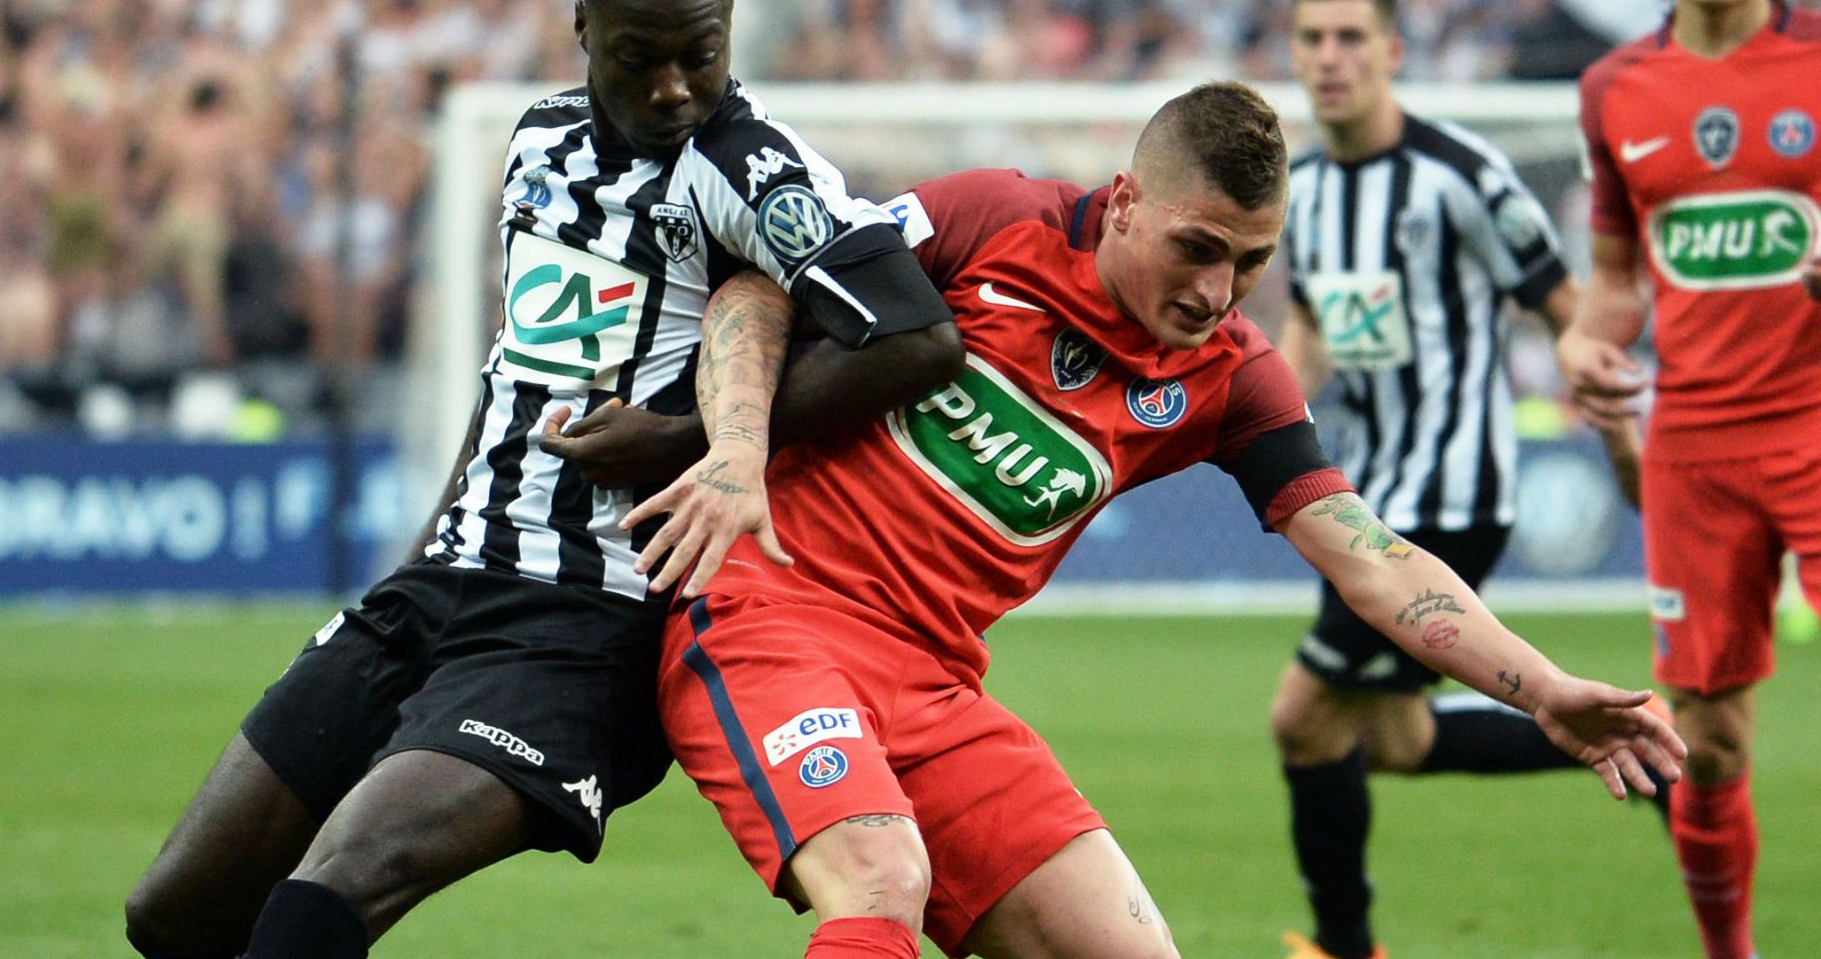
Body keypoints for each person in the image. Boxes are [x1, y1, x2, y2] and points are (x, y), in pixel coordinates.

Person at [614, 82, 1684, 959]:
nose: (1220, 292)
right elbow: (763, 289)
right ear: (1125, 200)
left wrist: (1541, 687)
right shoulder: (992, 218)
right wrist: (739, 450)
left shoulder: (1232, 381)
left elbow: (1373, 560)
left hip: (936, 681)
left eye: (1253, 263)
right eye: (1199, 248)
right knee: (881, 881)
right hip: (770, 614)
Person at [121, 0, 962, 957]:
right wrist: (425, 550)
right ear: (582, 28)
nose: (671, 88)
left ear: (731, 25)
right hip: (441, 586)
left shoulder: (750, 169)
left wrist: (682, 441)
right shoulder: (540, 141)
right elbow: (516, 372)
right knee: (177, 914)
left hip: (585, 621)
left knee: (326, 897)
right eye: (635, 55)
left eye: (699, 54)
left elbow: (916, 339)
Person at [1268, 0, 1653, 959]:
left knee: (1305, 722)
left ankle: (1345, 947)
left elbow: (1572, 317)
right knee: (1394, 741)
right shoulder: (1300, 190)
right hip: (1371, 490)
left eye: (1351, 38)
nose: (1330, 59)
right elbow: (1309, 325)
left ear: (1394, 52)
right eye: (1313, 39)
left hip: (1450, 494)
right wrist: (1278, 424)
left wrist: (1622, 447)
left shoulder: (1461, 174)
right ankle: (1634, 739)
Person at [1561, 0, 1821, 956]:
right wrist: (1587, 338)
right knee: (1708, 745)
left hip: (1817, 423)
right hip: (1696, 449)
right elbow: (1620, 277)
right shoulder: (1615, 88)